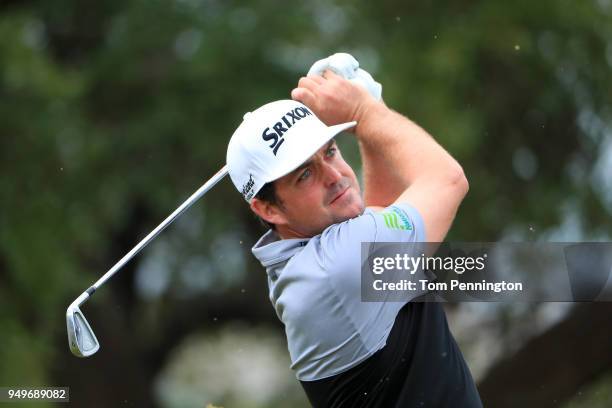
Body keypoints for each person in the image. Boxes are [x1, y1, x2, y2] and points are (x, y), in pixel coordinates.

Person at [226, 65, 482, 407]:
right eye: (304, 175)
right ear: (268, 209)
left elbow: (380, 215)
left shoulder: (311, 262)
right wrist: (363, 111)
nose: (333, 176)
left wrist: (369, 122)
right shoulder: (338, 269)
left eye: (330, 151)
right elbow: (448, 180)